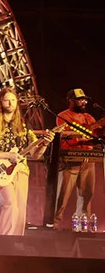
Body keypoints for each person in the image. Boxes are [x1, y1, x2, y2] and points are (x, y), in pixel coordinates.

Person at [0, 87, 54, 235]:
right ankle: (5, 240)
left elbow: (35, 154)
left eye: (13, 100)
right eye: (7, 100)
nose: (10, 103)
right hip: (1, 170)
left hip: (21, 169)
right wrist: (7, 156)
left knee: (20, 207)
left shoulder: (24, 126)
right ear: (1, 102)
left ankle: (17, 241)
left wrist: (44, 144)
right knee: (10, 203)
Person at [54, 88, 103, 228]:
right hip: (70, 161)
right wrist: (97, 124)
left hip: (88, 161)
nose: (84, 102)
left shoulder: (89, 117)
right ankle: (54, 225)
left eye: (85, 99)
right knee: (62, 197)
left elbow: (96, 136)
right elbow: (74, 134)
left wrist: (102, 127)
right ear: (71, 101)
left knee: (87, 196)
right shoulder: (63, 116)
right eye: (81, 99)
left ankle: (83, 227)